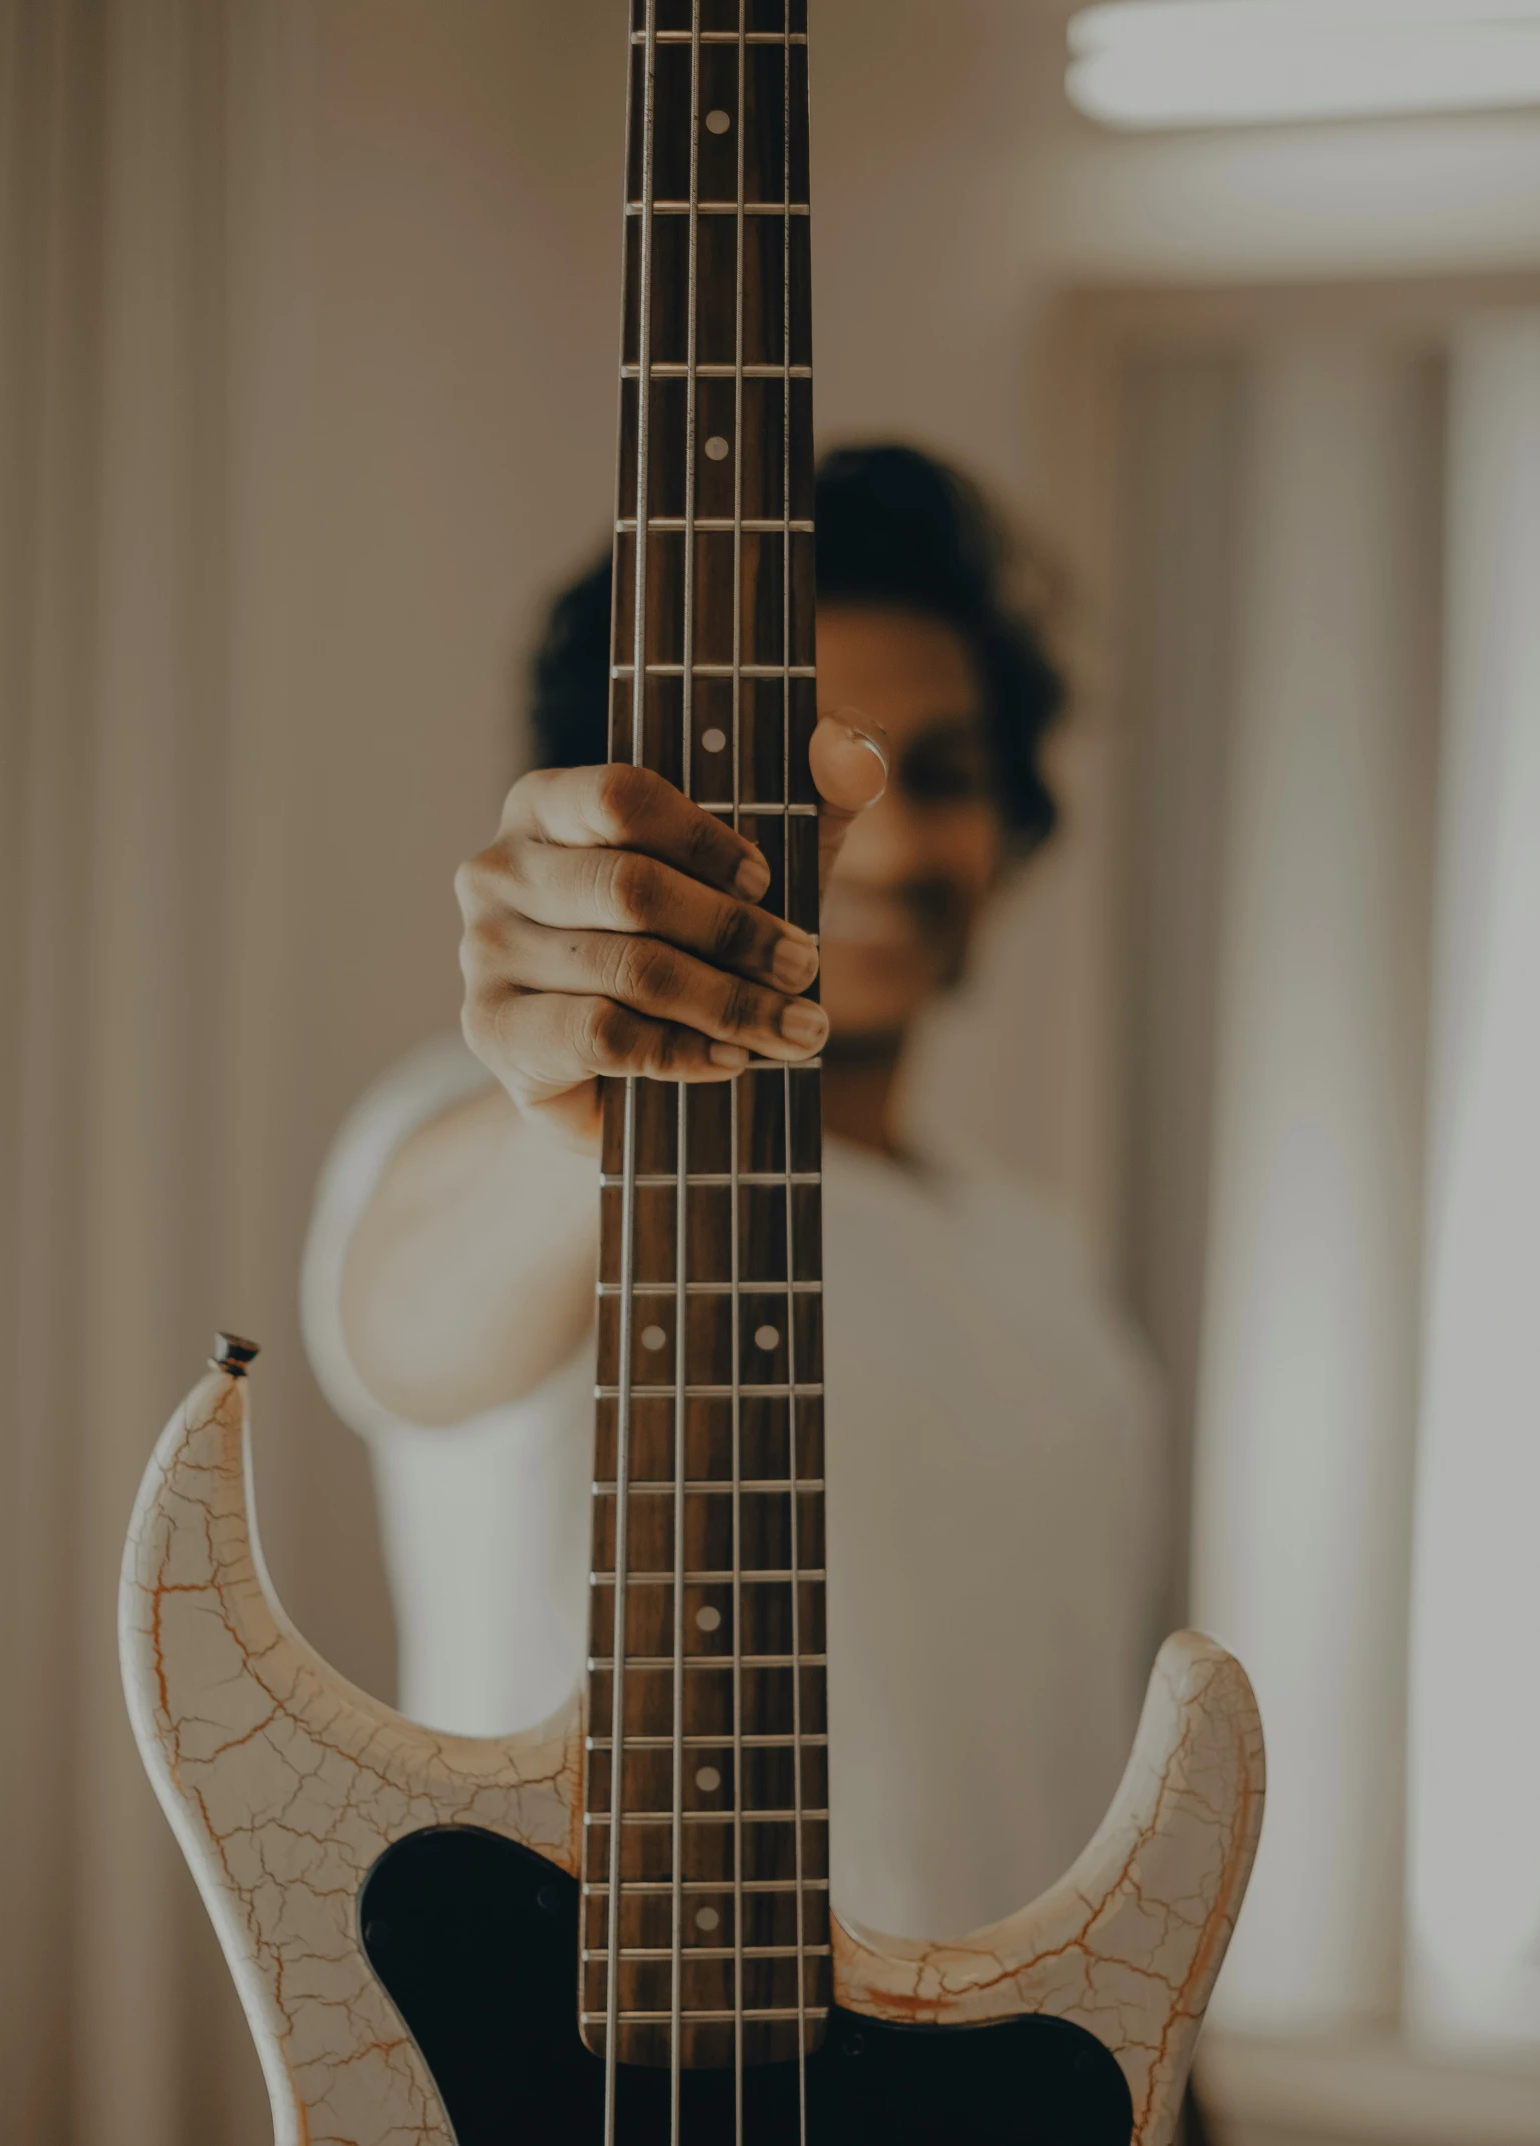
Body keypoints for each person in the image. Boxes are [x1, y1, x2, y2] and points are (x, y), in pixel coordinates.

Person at [302, 443, 1168, 1949]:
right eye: (809, 781)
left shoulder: (1050, 1261)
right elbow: (402, 1323)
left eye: (943, 775)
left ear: (1012, 824)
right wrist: (587, 1097)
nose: (885, 846)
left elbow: (1087, 1795)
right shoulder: (503, 1140)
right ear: (656, 821)